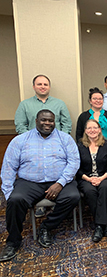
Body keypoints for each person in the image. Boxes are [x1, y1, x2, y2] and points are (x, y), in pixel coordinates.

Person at [0, 110, 80, 262]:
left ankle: (47, 227)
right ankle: (13, 242)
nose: (47, 123)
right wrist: (9, 193)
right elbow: (8, 167)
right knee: (15, 200)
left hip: (59, 180)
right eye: (44, 120)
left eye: (50, 120)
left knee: (73, 196)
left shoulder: (65, 139)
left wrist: (60, 183)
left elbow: (74, 162)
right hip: (29, 182)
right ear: (36, 120)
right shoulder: (20, 140)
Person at [14, 74, 73, 218]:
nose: (42, 87)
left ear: (49, 87)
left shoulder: (59, 104)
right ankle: (39, 203)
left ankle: (55, 205)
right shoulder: (25, 105)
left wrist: (61, 140)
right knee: (37, 176)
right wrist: (31, 140)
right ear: (34, 87)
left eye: (45, 84)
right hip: (33, 148)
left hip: (56, 147)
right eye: (39, 84)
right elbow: (20, 125)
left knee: (70, 192)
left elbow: (67, 123)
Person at [76, 119, 107, 243]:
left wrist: (101, 178)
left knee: (104, 188)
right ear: (85, 131)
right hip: (85, 178)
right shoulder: (79, 146)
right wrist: (88, 178)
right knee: (90, 191)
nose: (92, 130)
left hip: (105, 176)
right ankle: (105, 224)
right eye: (89, 128)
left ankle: (99, 226)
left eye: (95, 128)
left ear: (99, 130)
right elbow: (76, 167)